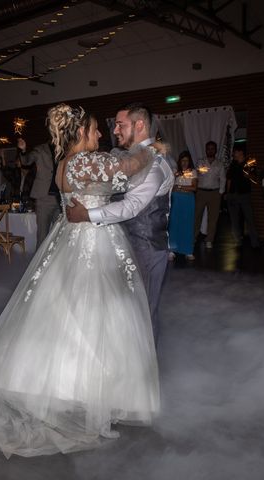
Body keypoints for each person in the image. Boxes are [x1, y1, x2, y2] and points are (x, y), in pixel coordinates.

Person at [0, 104, 159, 458]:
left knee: (64, 310)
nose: (101, 134)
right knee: (95, 313)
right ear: (81, 132)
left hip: (71, 238)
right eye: (96, 129)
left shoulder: (66, 163)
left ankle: (54, 383)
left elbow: (113, 171)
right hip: (93, 243)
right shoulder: (83, 162)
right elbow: (130, 167)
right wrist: (151, 148)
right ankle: (89, 391)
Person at [66, 102, 174, 344]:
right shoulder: (132, 159)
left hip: (146, 248)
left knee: (143, 313)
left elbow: (132, 206)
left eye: (120, 125)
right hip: (123, 246)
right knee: (126, 312)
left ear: (139, 125)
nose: (114, 130)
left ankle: (145, 375)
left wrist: (88, 215)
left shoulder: (154, 164)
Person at [18, 139, 60, 247]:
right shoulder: (40, 149)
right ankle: (40, 263)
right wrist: (23, 151)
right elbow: (26, 161)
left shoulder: (64, 149)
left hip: (61, 199)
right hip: (44, 198)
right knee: (42, 235)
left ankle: (53, 262)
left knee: (59, 235)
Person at [226, 146, 260, 248]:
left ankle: (255, 243)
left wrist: (249, 175)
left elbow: (255, 179)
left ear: (241, 152)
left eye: (235, 152)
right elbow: (229, 180)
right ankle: (237, 241)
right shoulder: (233, 164)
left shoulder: (249, 163)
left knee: (249, 218)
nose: (233, 154)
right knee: (234, 219)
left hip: (244, 195)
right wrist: (227, 194)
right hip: (233, 195)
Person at [194, 140, 226, 249]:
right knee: (197, 215)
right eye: (208, 148)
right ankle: (194, 237)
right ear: (206, 150)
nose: (210, 150)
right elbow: (200, 171)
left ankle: (209, 239)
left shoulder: (220, 164)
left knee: (213, 218)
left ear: (216, 150)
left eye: (212, 148)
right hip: (201, 192)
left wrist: (221, 192)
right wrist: (205, 168)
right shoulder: (200, 161)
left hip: (215, 193)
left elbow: (223, 178)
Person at [168, 150, 197, 260]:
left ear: (189, 161)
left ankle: (188, 251)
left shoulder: (193, 172)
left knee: (187, 223)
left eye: (186, 161)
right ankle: (172, 250)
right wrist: (176, 184)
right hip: (176, 199)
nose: (184, 163)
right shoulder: (175, 172)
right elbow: (170, 185)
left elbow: (194, 188)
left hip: (188, 199)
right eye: (182, 161)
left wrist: (179, 187)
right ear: (179, 161)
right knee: (174, 224)